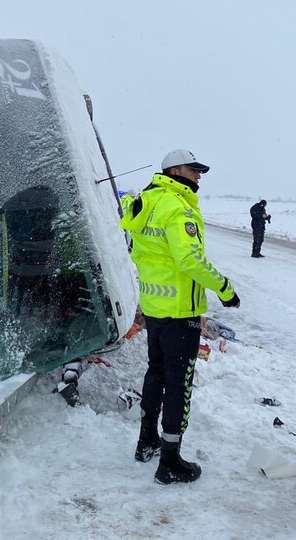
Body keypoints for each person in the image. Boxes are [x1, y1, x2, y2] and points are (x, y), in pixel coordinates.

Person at [119, 148, 240, 484]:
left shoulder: (148, 201)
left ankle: (147, 441)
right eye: (194, 169)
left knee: (156, 374)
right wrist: (225, 289)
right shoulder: (177, 207)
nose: (199, 176)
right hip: (179, 313)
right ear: (175, 170)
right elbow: (190, 261)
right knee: (179, 384)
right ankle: (170, 460)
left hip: (156, 309)